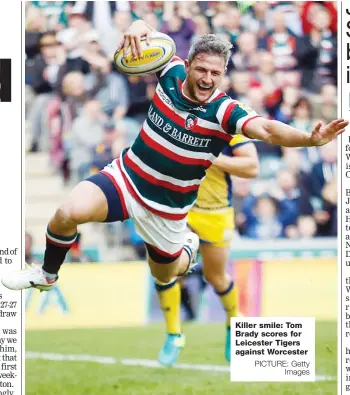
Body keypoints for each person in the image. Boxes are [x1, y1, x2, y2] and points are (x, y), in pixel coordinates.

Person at [2, 19, 346, 343]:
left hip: (168, 208)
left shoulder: (225, 111)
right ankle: (46, 276)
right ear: (189, 63)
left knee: (167, 274)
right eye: (202, 70)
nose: (208, 79)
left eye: (216, 73)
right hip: (129, 177)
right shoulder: (170, 70)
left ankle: (187, 248)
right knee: (68, 211)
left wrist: (309, 139)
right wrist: (136, 26)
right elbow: (144, 30)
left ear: (223, 74)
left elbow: (268, 130)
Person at [157, 133, 259, 366]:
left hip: (216, 213)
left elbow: (252, 168)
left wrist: (211, 158)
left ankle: (234, 323)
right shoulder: (172, 118)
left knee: (216, 277)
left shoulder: (230, 122)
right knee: (168, 267)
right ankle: (174, 334)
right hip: (180, 208)